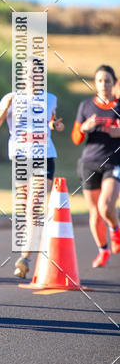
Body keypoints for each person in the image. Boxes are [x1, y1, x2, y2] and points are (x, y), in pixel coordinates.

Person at [0, 71, 64, 278]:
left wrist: (54, 125)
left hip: (44, 157)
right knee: (26, 209)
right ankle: (37, 243)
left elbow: (50, 122)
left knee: (34, 207)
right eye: (29, 74)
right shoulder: (10, 98)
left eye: (37, 74)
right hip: (21, 159)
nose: (33, 78)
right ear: (22, 77)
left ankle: (25, 258)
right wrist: (5, 108)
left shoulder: (50, 99)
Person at [72, 64, 120, 267]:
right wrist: (85, 127)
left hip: (114, 161)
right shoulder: (86, 106)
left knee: (105, 206)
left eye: (107, 80)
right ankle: (103, 250)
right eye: (99, 80)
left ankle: (115, 230)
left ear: (114, 83)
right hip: (89, 162)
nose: (103, 84)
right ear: (95, 83)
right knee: (94, 211)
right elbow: (75, 138)